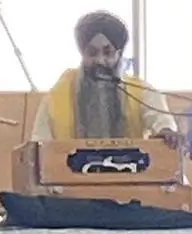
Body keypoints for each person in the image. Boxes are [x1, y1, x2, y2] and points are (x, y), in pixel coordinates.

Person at [30, 10, 180, 145]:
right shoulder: (58, 96)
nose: (100, 61)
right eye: (92, 53)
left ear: (119, 54)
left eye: (108, 53)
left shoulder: (140, 92)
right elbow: (38, 147)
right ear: (82, 54)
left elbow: (161, 121)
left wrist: (166, 130)